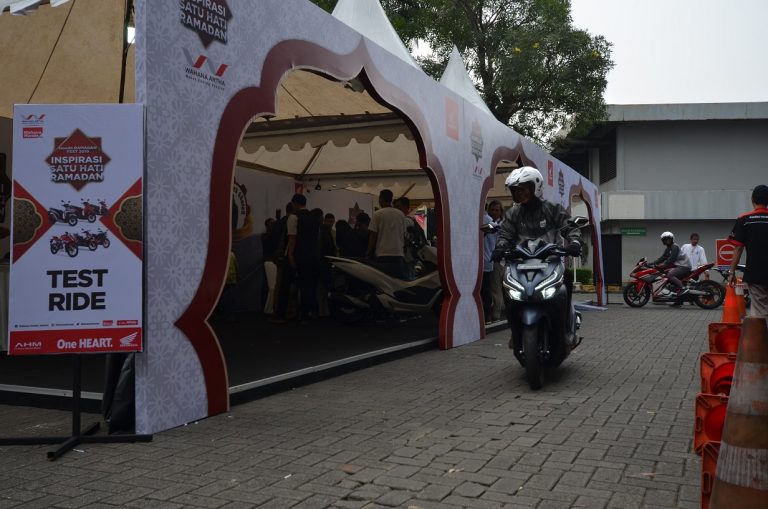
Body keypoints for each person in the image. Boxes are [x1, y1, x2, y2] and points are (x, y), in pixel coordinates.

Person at [492, 167, 582, 312]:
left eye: (523, 189)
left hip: (550, 262)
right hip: (521, 264)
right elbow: (505, 234)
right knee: (505, 280)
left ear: (535, 187)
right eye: (516, 190)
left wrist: (575, 242)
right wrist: (500, 247)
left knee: (567, 277)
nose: (520, 193)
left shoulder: (552, 209)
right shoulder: (513, 214)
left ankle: (566, 318)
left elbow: (569, 226)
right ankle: (513, 322)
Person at [727, 184, 768, 317]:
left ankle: (761, 329)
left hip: (756, 273)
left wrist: (732, 272)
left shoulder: (745, 219)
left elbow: (738, 248)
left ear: (752, 199)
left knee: (760, 312)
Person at [271, 193, 306, 323]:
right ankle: (292, 312)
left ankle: (279, 312)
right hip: (298, 256)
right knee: (295, 287)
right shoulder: (304, 219)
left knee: (281, 286)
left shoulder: (282, 222)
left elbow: (279, 239)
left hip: (285, 256)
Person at [368, 189, 407, 279]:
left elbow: (373, 236)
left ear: (381, 199)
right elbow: (404, 235)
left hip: (383, 254)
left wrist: (368, 252)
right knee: (397, 281)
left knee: (383, 281)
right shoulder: (400, 214)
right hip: (398, 254)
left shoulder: (377, 214)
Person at [650, 231, 691, 296]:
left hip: (684, 266)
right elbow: (662, 258)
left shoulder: (674, 247)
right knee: (664, 273)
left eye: (668, 239)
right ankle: (674, 293)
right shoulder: (668, 248)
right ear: (663, 241)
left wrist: (663, 265)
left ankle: (683, 288)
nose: (667, 241)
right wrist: (651, 263)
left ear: (672, 239)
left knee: (670, 275)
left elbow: (671, 259)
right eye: (665, 239)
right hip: (679, 266)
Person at [393, 196, 425, 280]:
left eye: (398, 206)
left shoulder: (407, 220)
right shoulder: (411, 220)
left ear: (405, 207)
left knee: (407, 278)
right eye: (395, 207)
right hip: (411, 255)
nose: (395, 209)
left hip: (407, 255)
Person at [487, 200, 505, 321]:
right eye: (492, 210)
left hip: (498, 260)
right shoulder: (489, 223)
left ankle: (496, 314)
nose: (494, 212)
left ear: (500, 212)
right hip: (493, 258)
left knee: (496, 288)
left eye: (496, 210)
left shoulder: (501, 225)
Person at [481, 210, 497, 324]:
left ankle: (487, 315)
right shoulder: (491, 222)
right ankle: (487, 315)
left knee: (484, 290)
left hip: (482, 260)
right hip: (488, 260)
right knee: (486, 289)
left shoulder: (485, 220)